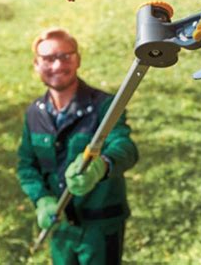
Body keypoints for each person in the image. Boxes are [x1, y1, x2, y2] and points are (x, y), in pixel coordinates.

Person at [17, 27, 138, 264]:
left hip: (100, 228)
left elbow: (125, 147)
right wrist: (42, 200)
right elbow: (26, 166)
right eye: (48, 58)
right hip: (59, 224)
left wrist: (101, 166)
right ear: (36, 64)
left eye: (65, 56)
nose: (57, 65)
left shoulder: (105, 106)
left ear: (78, 59)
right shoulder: (34, 113)